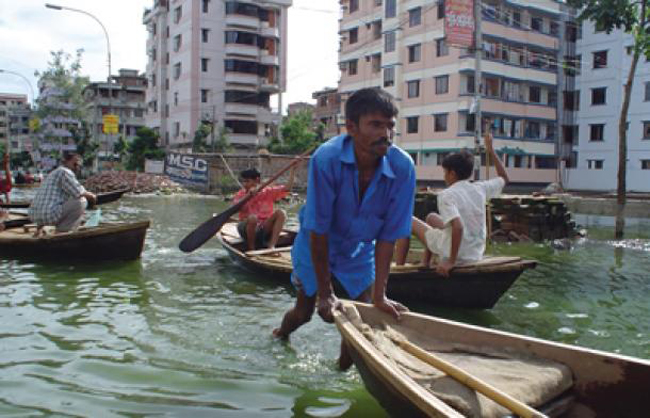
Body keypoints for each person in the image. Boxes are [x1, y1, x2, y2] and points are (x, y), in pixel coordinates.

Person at [272, 88, 416, 370]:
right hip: (315, 244)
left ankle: (341, 370)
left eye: (390, 126)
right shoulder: (327, 159)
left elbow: (389, 237)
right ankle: (280, 334)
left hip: (358, 248)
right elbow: (318, 228)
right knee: (305, 312)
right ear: (351, 127)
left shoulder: (403, 167)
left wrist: (380, 295)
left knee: (360, 317)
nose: (385, 133)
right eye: (375, 125)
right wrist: (325, 293)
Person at [395, 130, 509, 277]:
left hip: (456, 255)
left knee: (406, 219)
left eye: (445, 172)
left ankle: (398, 268)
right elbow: (504, 178)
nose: (444, 176)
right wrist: (491, 150)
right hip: (474, 253)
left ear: (452, 173)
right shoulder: (480, 187)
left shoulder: (446, 195)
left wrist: (451, 261)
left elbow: (458, 226)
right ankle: (425, 263)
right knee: (431, 217)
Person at [28, 153, 97, 237]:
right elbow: (80, 192)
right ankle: (62, 232)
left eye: (79, 165)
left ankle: (39, 230)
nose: (77, 167)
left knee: (69, 200)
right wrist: (93, 198)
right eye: (75, 164)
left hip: (34, 215)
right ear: (66, 162)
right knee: (81, 201)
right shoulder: (65, 171)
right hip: (48, 215)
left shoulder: (53, 173)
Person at [233, 166, 297, 251]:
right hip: (246, 228)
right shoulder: (241, 194)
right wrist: (248, 196)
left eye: (247, 181)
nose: (245, 184)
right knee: (253, 218)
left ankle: (271, 246)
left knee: (281, 213)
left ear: (257, 180)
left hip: (264, 228)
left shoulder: (268, 192)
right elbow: (236, 208)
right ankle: (251, 248)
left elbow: (287, 188)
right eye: (244, 181)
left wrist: (293, 171)